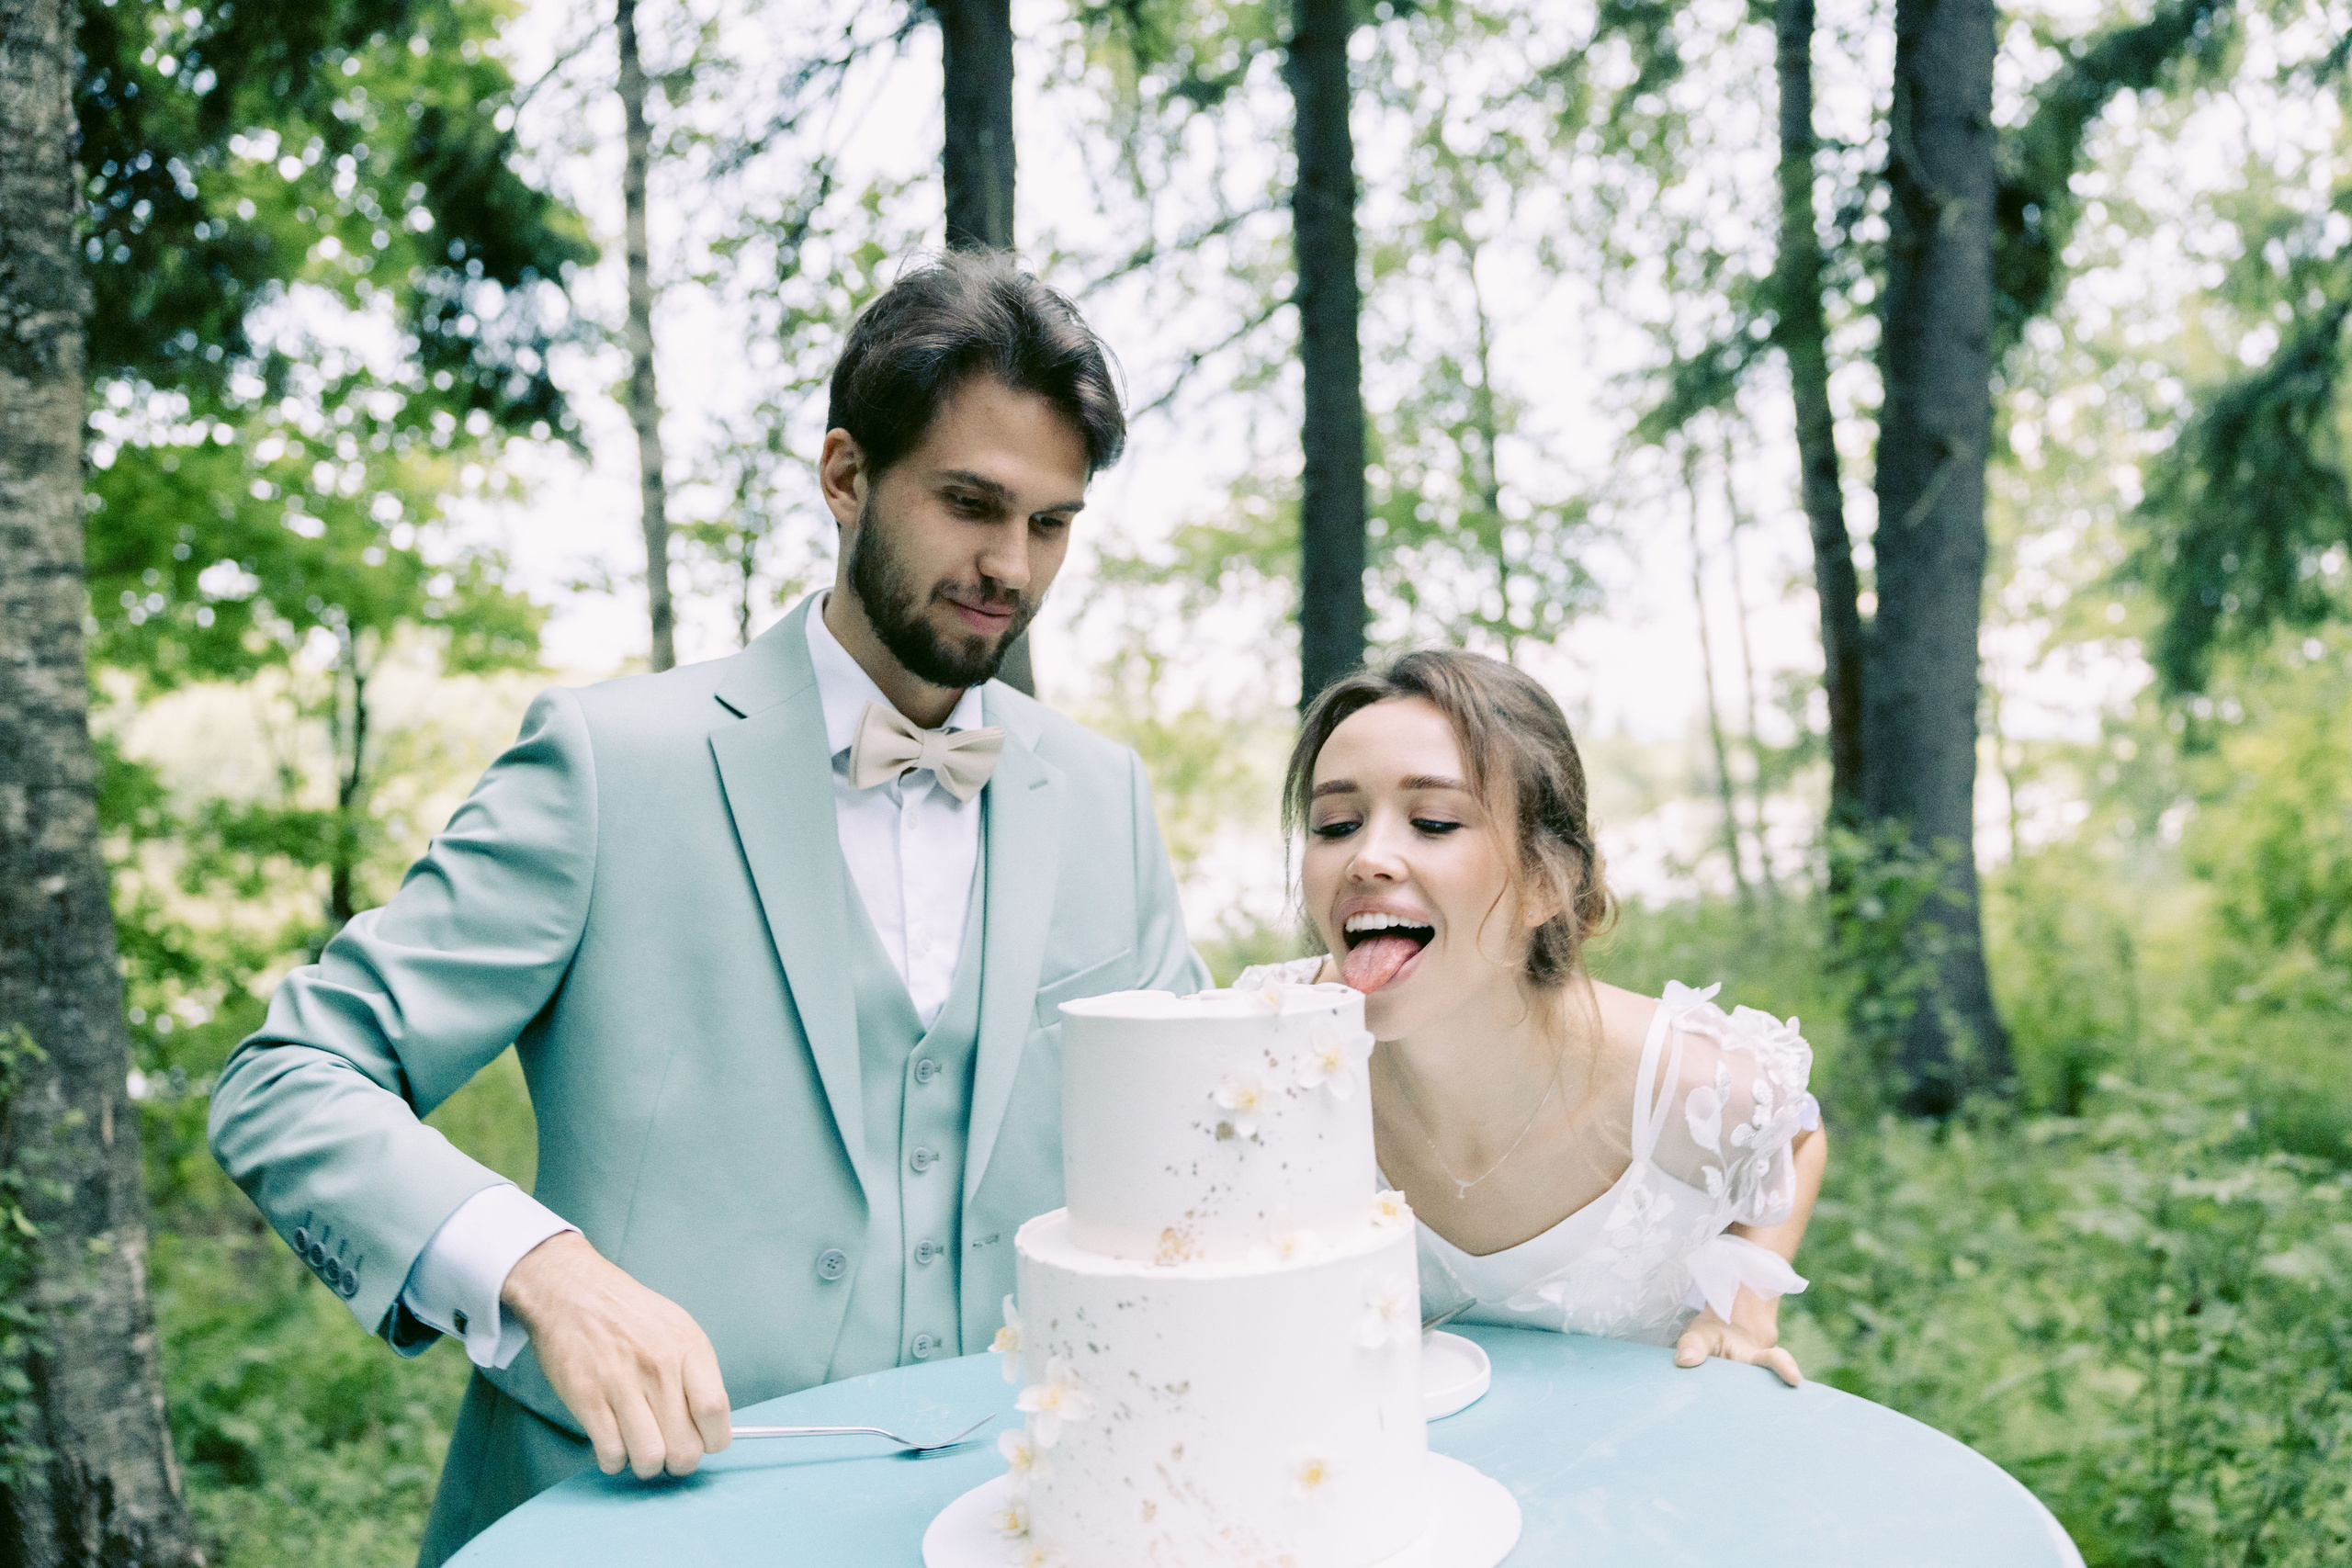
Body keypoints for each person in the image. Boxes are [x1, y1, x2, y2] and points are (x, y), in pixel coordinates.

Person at [208, 251, 1209, 1563]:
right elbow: (285, 1077)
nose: (1010, 565)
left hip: (1004, 1517)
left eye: (1052, 521)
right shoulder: (607, 764)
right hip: (620, 1518)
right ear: (845, 475)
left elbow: (1202, 1158)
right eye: (971, 502)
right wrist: (543, 1268)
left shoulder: (1103, 794)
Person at [1239, 649, 1826, 1383]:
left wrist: (1746, 1304)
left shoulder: (1685, 1082)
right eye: (1335, 824)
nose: (1367, 857)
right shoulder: (1267, 1041)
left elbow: (1796, 1132)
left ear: (1546, 882)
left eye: (1432, 820)